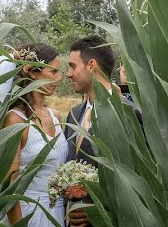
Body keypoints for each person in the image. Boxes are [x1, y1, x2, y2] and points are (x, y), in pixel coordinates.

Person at [63, 36, 140, 227]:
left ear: (91, 65)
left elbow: (140, 179)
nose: (67, 74)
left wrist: (100, 211)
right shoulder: (73, 115)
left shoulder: (129, 114)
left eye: (72, 66)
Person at [2, 43, 68, 226]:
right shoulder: (16, 121)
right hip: (31, 215)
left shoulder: (55, 116)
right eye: (53, 72)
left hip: (61, 213)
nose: (60, 77)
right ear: (31, 72)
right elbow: (10, 188)